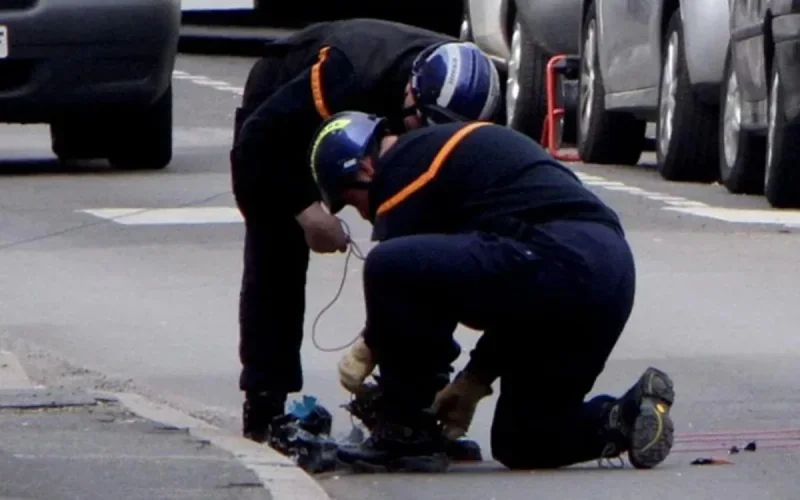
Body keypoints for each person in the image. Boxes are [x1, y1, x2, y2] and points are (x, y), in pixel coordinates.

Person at [308, 111, 676, 473]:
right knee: (524, 440)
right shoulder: (449, 159)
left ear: (364, 170)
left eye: (353, 202)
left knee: (387, 265)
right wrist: (475, 379)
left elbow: (405, 285)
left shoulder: (404, 168)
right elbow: (517, 296)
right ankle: (626, 416)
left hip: (561, 257)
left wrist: (372, 345)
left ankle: (404, 434)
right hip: (605, 274)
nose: (366, 216)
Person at [229, 17, 503, 443]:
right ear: (412, 94)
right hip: (282, 124)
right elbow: (254, 146)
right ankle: (265, 401)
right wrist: (304, 210)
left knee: (429, 255)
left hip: (381, 129)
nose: (428, 142)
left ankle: (411, 403)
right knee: (277, 249)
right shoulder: (350, 72)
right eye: (423, 128)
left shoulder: (481, 107)